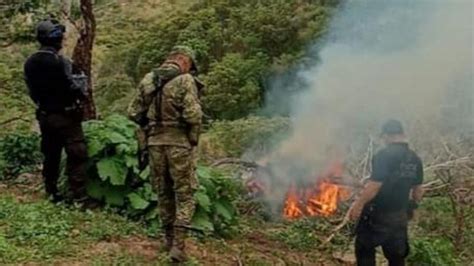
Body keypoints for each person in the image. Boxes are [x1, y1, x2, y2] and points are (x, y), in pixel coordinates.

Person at [128, 46, 203, 263]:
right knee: (185, 193)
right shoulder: (185, 80)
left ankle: (168, 240)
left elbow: (133, 112)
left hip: (154, 143)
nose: (190, 68)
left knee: (164, 192)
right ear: (183, 60)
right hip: (178, 143)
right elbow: (193, 115)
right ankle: (178, 247)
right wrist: (193, 138)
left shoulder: (149, 79)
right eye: (190, 64)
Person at [24, 19, 88, 203]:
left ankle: (52, 192)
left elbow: (31, 91)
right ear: (57, 39)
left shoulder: (30, 63)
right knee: (77, 153)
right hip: (66, 116)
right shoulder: (62, 62)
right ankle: (79, 197)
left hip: (45, 115)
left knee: (51, 154)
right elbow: (75, 88)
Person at [349, 119, 424, 266]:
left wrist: (358, 205)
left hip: (377, 216)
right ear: (402, 134)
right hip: (399, 216)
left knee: (364, 249)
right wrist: (413, 207)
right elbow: (418, 189)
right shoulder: (415, 158)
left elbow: (374, 186)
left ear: (386, 136)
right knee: (397, 257)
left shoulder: (383, 155)